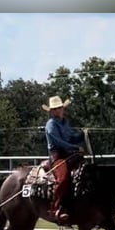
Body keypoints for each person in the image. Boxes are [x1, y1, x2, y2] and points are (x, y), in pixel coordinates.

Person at [42, 95, 85, 223]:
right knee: (63, 178)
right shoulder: (51, 124)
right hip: (58, 155)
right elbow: (58, 142)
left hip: (70, 153)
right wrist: (75, 147)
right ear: (52, 111)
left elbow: (72, 137)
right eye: (55, 109)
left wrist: (82, 135)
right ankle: (55, 208)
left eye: (60, 108)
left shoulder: (65, 123)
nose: (59, 110)